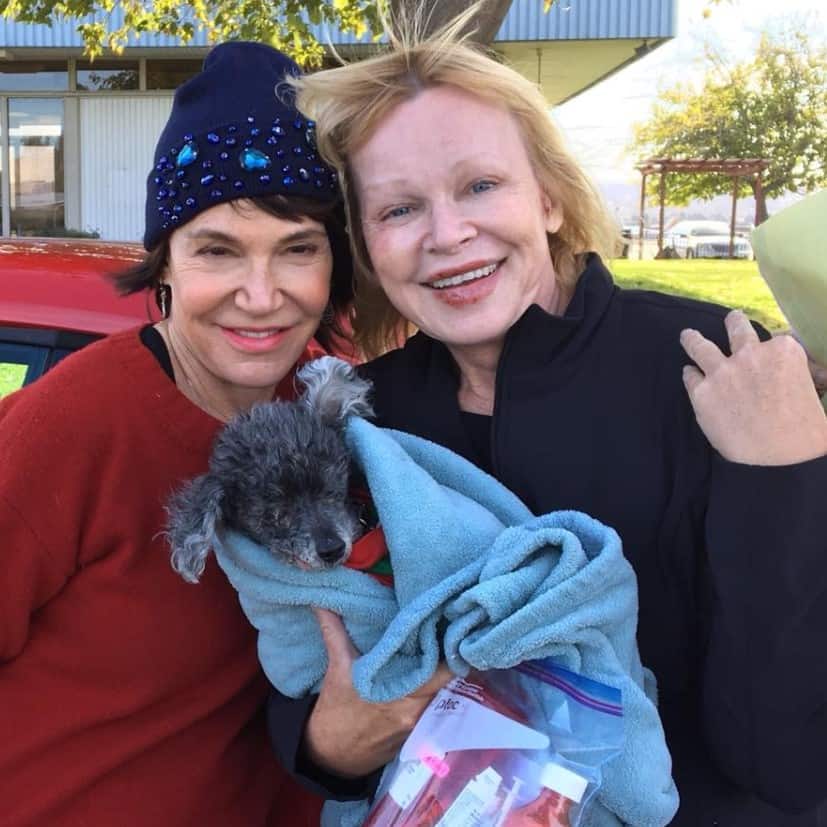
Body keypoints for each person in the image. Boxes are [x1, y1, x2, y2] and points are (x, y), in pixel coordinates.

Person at [268, 19, 827, 826]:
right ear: (366, 243)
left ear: (552, 197)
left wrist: (783, 477)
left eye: (480, 185)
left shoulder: (721, 372)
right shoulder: (358, 419)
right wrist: (327, 742)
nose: (447, 233)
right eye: (398, 207)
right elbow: (302, 658)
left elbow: (786, 759)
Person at [0, 42, 352, 826]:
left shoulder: (340, 412)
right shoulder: (72, 424)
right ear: (164, 264)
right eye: (217, 250)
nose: (259, 296)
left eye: (297, 249)